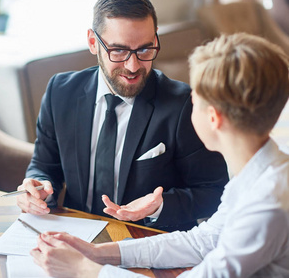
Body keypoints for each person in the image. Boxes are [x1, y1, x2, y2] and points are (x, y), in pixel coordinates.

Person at [30, 32, 289, 277]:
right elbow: (204, 240)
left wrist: (83, 271)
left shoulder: (267, 206)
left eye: (195, 101)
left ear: (214, 118)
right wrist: (99, 253)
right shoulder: (261, 173)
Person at [16, 0, 228, 232]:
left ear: (156, 39)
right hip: (75, 235)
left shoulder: (184, 105)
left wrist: (160, 206)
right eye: (118, 50)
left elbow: (214, 192)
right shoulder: (60, 92)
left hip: (150, 242)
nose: (133, 65)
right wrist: (38, 188)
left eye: (145, 49)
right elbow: (44, 165)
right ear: (93, 42)